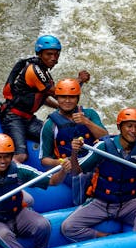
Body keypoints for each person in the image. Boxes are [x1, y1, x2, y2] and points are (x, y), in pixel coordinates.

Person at [62, 108, 136, 241]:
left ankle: (135, 243)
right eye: (129, 126)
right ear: (119, 127)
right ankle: (105, 237)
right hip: (101, 203)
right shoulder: (103, 147)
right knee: (68, 226)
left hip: (128, 203)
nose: (133, 131)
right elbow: (76, 171)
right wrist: (75, 152)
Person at [0, 34, 90, 164]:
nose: (53, 58)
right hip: (13, 118)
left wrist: (59, 107)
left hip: (28, 119)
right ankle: (4, 179)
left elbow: (43, 97)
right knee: (21, 156)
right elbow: (58, 93)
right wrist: (79, 80)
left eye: (56, 55)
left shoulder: (43, 71)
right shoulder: (34, 70)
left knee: (54, 136)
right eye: (49, 54)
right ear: (40, 54)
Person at [38, 77, 107, 205]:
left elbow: (105, 137)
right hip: (70, 169)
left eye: (72, 97)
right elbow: (44, 160)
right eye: (63, 97)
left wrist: (87, 122)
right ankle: (82, 206)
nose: (67, 101)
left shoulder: (89, 114)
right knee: (80, 176)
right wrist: (61, 163)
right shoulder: (50, 125)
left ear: (78, 98)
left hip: (93, 162)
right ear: (57, 98)